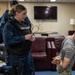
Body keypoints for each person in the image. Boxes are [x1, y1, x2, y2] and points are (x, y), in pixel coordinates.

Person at [0, 1, 35, 75]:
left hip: (27, 54)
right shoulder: (9, 25)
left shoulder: (25, 24)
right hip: (15, 56)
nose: (26, 16)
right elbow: (8, 41)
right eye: (24, 14)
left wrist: (32, 37)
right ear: (17, 13)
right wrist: (24, 38)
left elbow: (29, 33)